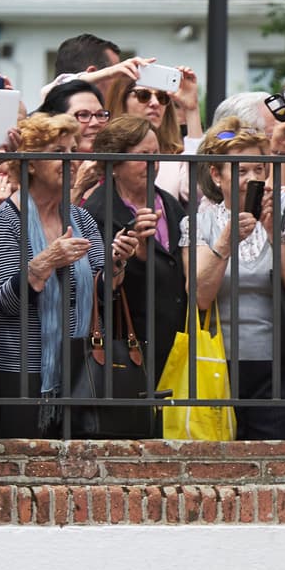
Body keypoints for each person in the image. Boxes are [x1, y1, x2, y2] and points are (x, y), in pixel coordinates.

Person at [0, 113, 134, 437]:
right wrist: (43, 263)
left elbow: (102, 288)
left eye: (73, 149)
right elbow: (5, 300)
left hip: (81, 366)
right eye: (58, 150)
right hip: (23, 372)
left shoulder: (81, 218)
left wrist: (117, 263)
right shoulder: (6, 219)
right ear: (31, 163)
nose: (70, 158)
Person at [178, 118, 285, 440]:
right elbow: (199, 295)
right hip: (216, 364)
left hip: (277, 365)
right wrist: (224, 243)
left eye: (258, 170)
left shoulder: (284, 214)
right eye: (240, 171)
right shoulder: (198, 223)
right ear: (216, 174)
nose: (252, 178)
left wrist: (272, 233)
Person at [83, 115, 187, 378]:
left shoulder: (169, 203)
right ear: (115, 163)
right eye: (143, 155)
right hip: (129, 341)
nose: (153, 163)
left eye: (156, 153)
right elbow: (97, 279)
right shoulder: (97, 210)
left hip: (177, 339)